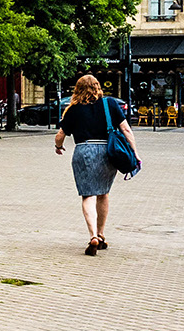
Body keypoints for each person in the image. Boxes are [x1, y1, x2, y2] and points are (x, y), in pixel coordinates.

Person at [54, 73, 133, 256]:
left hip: (83, 151)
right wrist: (134, 153)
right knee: (103, 193)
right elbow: (126, 129)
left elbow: (60, 134)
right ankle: (101, 233)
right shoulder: (110, 104)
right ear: (98, 86)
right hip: (107, 151)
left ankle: (92, 236)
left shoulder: (73, 109)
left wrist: (58, 146)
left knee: (88, 194)